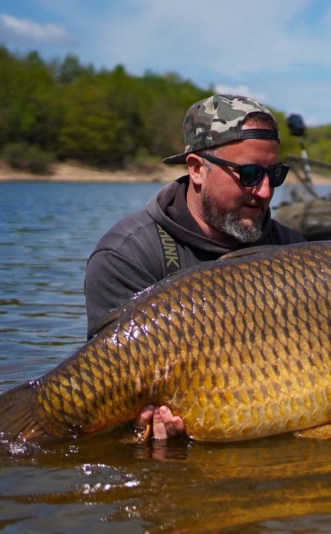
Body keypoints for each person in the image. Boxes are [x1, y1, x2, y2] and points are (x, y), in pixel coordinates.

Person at [84, 94, 305, 438]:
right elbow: (105, 386)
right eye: (248, 174)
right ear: (197, 168)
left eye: (274, 175)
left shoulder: (292, 252)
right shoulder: (127, 255)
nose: (263, 192)